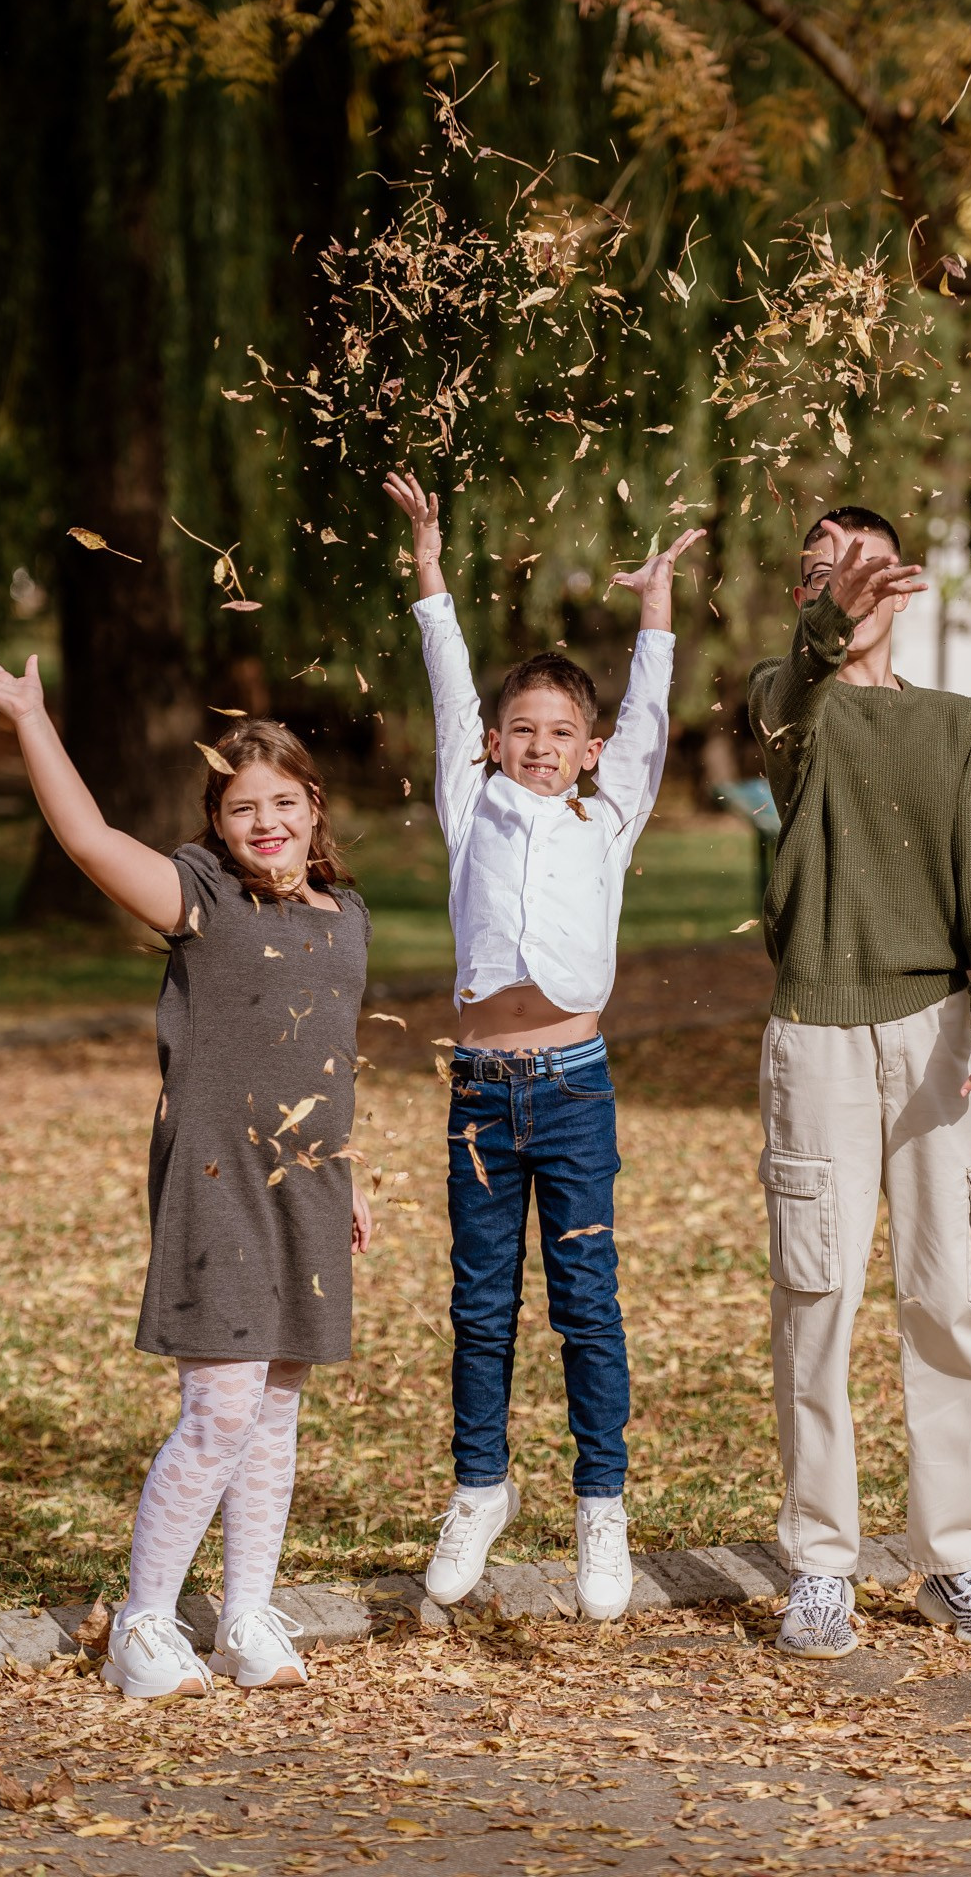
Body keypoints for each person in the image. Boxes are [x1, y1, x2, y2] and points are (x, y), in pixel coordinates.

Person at [0, 649, 373, 1698]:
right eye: (242, 808)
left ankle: (245, 1615)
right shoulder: (201, 896)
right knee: (221, 1408)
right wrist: (30, 717)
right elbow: (88, 838)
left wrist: (352, 1168)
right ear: (216, 824)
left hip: (309, 1184)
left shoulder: (347, 916)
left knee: (276, 1405)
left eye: (282, 802)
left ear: (314, 807)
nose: (265, 821)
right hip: (216, 1181)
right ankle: (142, 1622)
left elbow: (329, 1053)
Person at [385, 470, 701, 1622]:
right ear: (493, 741)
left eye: (561, 732)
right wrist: (429, 570)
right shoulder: (469, 803)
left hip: (571, 1089)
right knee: (480, 1305)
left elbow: (651, 721)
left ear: (589, 748)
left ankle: (599, 1502)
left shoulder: (606, 816)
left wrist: (656, 609)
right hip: (480, 1091)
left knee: (585, 1304)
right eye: (520, 728)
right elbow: (446, 687)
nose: (538, 744)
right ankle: (480, 1484)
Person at [747, 506, 971, 1658]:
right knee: (814, 1297)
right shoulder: (786, 701)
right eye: (819, 573)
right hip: (813, 1031)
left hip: (935, 1029)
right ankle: (820, 1566)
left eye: (863, 569)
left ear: (903, 587)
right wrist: (830, 617)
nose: (842, 587)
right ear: (807, 598)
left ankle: (959, 1560)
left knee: (951, 1296)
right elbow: (792, 701)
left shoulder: (950, 721)